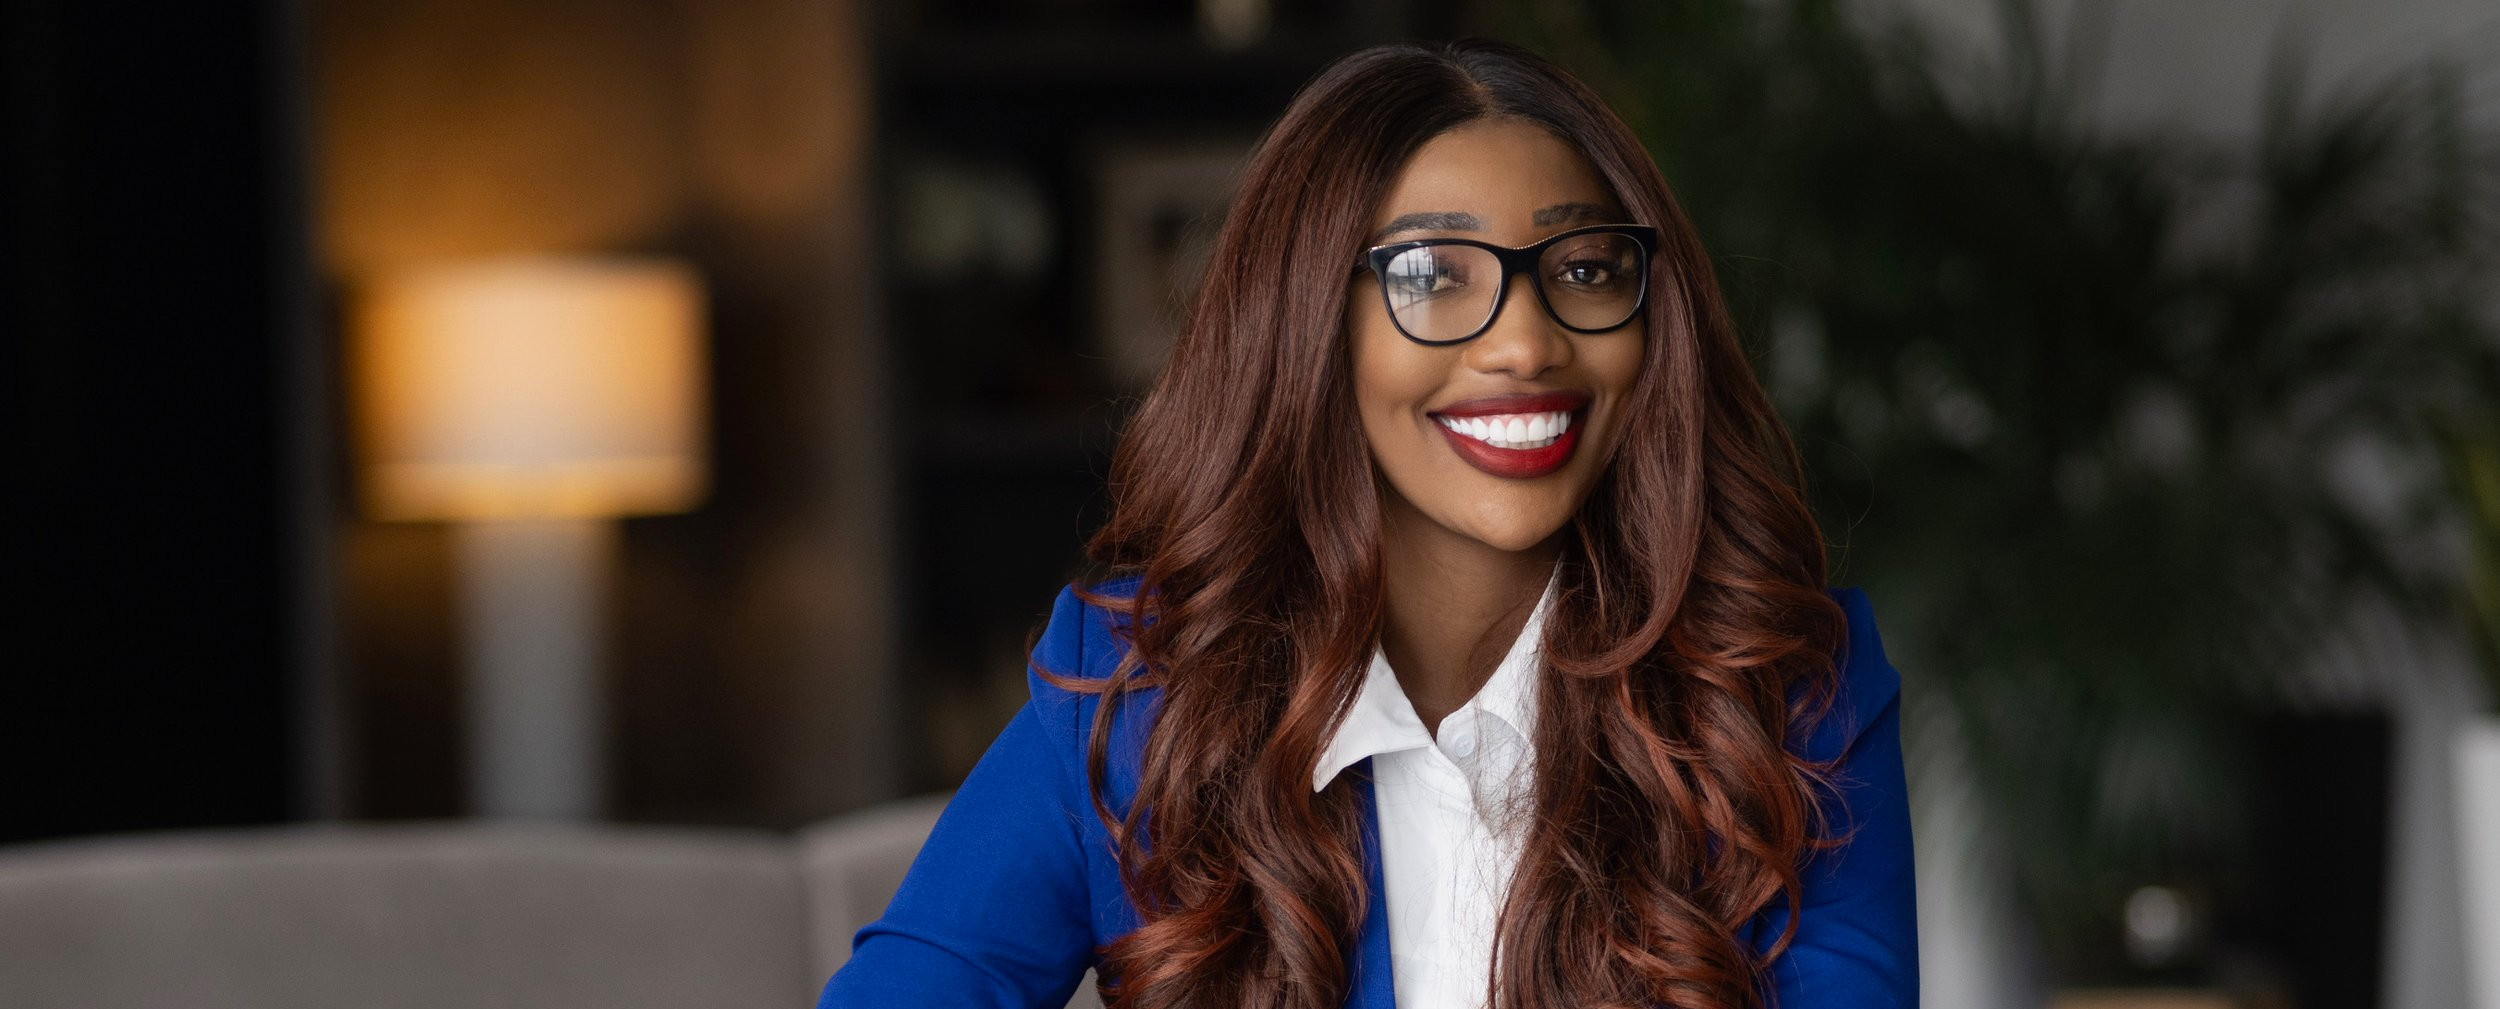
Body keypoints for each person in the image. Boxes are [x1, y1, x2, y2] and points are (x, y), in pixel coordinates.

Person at [818, 38, 1915, 1009]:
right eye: (1431, 275)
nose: (1526, 344)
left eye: (1584, 268)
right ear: (1308, 325)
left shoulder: (1782, 690)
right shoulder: (1138, 688)